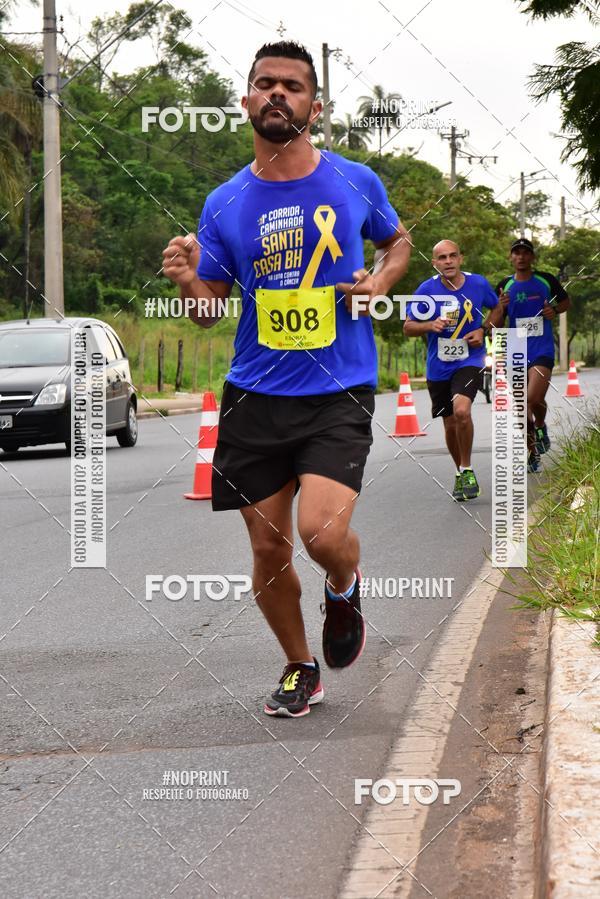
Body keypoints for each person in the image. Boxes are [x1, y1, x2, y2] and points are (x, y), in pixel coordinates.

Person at [162, 41, 411, 717]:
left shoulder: (356, 179)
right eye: (265, 84)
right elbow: (209, 309)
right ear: (245, 102)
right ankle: (301, 665)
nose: (278, 94)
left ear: (314, 107)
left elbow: (398, 242)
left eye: (292, 86)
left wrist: (380, 282)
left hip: (339, 387)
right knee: (269, 545)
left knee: (321, 534)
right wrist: (189, 281)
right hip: (254, 394)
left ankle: (343, 580)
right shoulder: (225, 201)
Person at [403, 240, 498, 501]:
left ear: (460, 258)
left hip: (470, 360)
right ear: (434, 263)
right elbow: (408, 327)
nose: (448, 261)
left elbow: (498, 307)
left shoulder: (478, 283)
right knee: (449, 423)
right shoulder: (426, 290)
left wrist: (484, 329)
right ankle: (460, 472)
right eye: (442, 257)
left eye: (452, 256)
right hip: (438, 367)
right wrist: (429, 325)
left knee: (462, 411)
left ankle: (467, 468)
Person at [493, 238, 570, 472]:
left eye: (525, 253)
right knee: (520, 405)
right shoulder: (504, 285)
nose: (521, 257)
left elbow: (566, 302)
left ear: (532, 257)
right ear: (511, 257)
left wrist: (553, 310)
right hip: (515, 348)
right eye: (516, 253)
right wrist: (499, 306)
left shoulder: (545, 280)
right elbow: (496, 324)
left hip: (541, 348)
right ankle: (532, 451)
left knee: (533, 399)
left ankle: (541, 425)